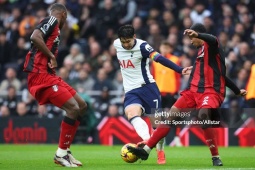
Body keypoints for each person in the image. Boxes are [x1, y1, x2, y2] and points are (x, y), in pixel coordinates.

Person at [127, 23, 247, 166]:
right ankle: (146, 150)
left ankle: (215, 157)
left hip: (210, 92)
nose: (191, 41)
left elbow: (213, 39)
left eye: (192, 37)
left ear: (198, 35)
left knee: (204, 116)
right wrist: (237, 90)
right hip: (192, 92)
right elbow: (222, 76)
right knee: (170, 117)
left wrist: (198, 35)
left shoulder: (213, 48)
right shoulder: (199, 54)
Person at [113, 25, 191, 164]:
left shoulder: (143, 46)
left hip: (148, 88)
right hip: (131, 90)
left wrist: (179, 69)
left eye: (128, 41)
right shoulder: (116, 44)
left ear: (134, 37)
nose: (125, 44)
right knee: (131, 114)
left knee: (157, 125)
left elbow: (159, 58)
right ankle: (147, 140)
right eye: (123, 41)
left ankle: (160, 152)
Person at [23, 3, 87, 167]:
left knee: (81, 105)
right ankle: (60, 154)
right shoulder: (52, 20)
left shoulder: (55, 28)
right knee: (72, 108)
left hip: (50, 75)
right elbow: (34, 37)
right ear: (63, 15)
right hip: (39, 76)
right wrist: (51, 56)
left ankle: (65, 151)